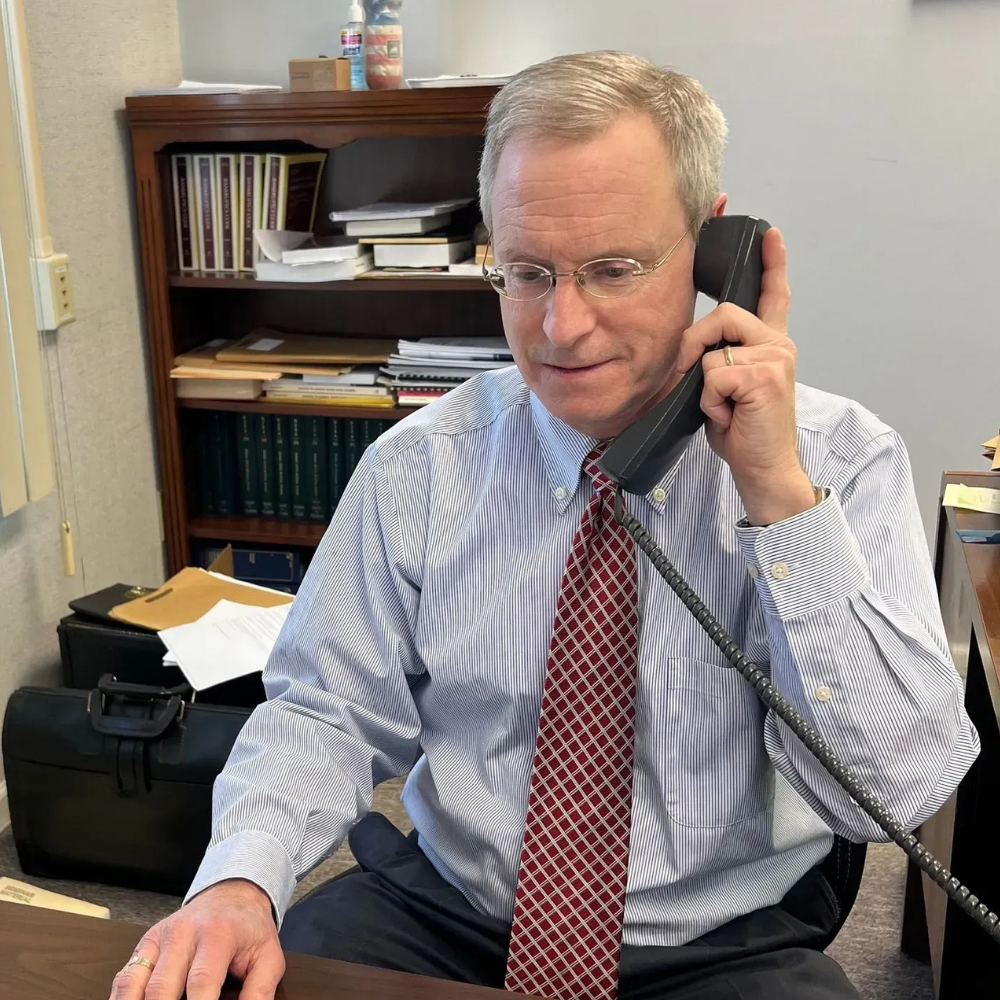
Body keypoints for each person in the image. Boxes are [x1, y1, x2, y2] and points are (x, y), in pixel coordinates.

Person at [109, 50, 978, 1000]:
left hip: (720, 941)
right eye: (526, 273)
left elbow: (899, 791)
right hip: (454, 914)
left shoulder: (843, 462)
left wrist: (775, 495)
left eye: (613, 269)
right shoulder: (421, 465)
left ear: (716, 251)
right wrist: (240, 879)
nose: (561, 327)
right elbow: (326, 712)